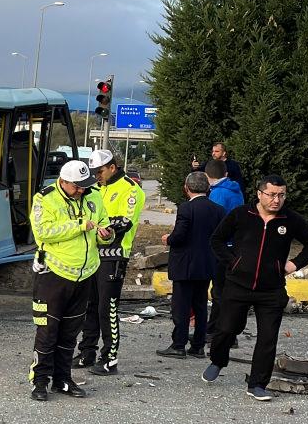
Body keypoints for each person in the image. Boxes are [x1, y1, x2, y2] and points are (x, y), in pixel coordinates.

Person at [202, 175, 308, 401]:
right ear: (259, 194)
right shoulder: (241, 215)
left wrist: (293, 264)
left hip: (271, 289)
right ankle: (218, 360)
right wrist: (233, 263)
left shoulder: (290, 219)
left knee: (268, 337)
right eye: (272, 195)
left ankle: (257, 384)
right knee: (227, 328)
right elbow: (216, 240)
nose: (277, 200)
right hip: (238, 285)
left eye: (281, 195)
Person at [28, 160, 113, 401]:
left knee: (70, 332)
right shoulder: (45, 198)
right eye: (77, 187)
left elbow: (103, 224)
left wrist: (106, 234)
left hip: (85, 274)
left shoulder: (93, 196)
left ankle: (63, 379)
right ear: (63, 182)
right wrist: (79, 225)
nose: (81, 191)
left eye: (85, 186)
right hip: (53, 274)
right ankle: (40, 380)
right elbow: (43, 232)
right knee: (47, 331)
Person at [75, 149, 146, 376]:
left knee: (108, 308)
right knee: (90, 306)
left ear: (112, 167)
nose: (97, 176)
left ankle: (110, 358)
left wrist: (97, 225)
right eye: (94, 172)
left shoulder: (131, 189)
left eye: (100, 171)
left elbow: (124, 222)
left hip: (115, 255)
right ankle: (87, 352)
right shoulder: (95, 188)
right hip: (93, 254)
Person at [158, 172, 224, 358]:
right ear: (208, 188)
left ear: (186, 188)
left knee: (181, 306)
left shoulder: (186, 208)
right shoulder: (218, 210)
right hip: (207, 263)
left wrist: (168, 239)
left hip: (185, 264)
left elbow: (180, 235)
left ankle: (178, 344)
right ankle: (198, 345)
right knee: (201, 304)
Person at [204, 159, 245, 349]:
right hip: (235, 245)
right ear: (226, 174)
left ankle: (218, 331)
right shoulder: (235, 191)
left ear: (207, 176)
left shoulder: (218, 194)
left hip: (222, 247)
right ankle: (220, 329)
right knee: (226, 290)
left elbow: (213, 222)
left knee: (219, 291)